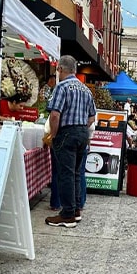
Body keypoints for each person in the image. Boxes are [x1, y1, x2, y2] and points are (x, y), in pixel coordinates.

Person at [44, 55, 96, 228]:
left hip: (66, 132)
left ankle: (67, 215)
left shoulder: (61, 87)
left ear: (60, 69)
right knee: (75, 173)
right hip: (82, 132)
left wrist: (53, 134)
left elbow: (55, 115)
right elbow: (92, 117)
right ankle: (75, 210)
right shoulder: (85, 89)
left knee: (65, 174)